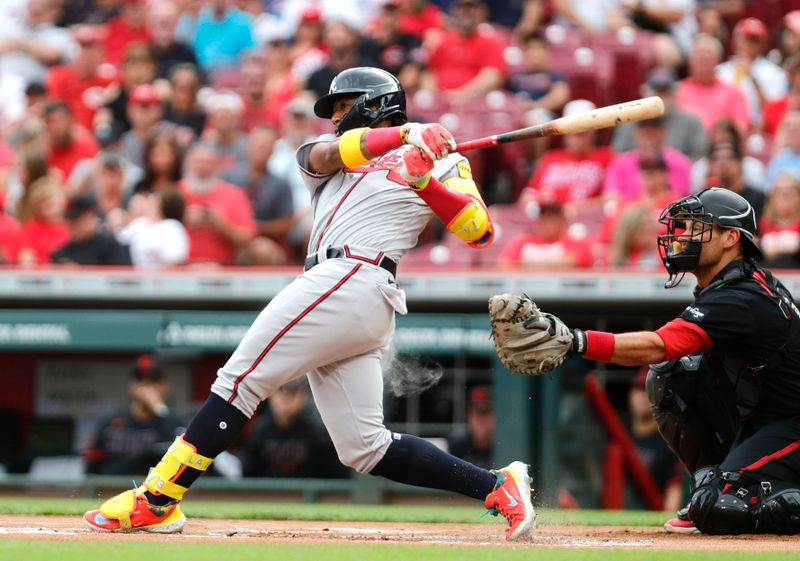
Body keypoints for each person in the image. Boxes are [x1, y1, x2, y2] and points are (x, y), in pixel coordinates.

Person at [83, 66, 534, 541]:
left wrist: (426, 183)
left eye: (343, 107)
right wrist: (406, 135)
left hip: (357, 277)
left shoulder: (441, 160)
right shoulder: (327, 154)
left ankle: (157, 498)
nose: (336, 118)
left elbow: (478, 230)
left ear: (373, 103)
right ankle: (497, 485)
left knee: (239, 382)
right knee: (364, 448)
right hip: (336, 286)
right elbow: (328, 152)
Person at [500, 187, 800, 535]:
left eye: (697, 226)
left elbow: (659, 345)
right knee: (673, 376)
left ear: (731, 238)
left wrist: (576, 341)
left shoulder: (740, 297)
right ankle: (710, 479)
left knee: (718, 508)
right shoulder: (731, 285)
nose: (684, 235)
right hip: (761, 417)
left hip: (791, 425)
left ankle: (723, 491)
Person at [83, 354, 184, 475]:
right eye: (140, 379)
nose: (146, 385)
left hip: (153, 492)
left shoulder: (173, 423)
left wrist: (160, 409)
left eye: (154, 380)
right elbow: (92, 466)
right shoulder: (110, 421)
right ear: (131, 385)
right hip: (113, 491)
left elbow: (183, 459)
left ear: (166, 386)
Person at [238, 377, 348, 479]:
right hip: (268, 497)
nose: (285, 400)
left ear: (303, 395)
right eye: (280, 392)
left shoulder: (316, 431)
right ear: (270, 395)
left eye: (293, 393)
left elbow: (335, 475)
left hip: (307, 496)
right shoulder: (259, 429)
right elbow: (247, 472)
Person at [447, 385, 494, 470]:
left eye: (486, 415)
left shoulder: (505, 445)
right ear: (469, 416)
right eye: (479, 416)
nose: (482, 423)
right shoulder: (457, 446)